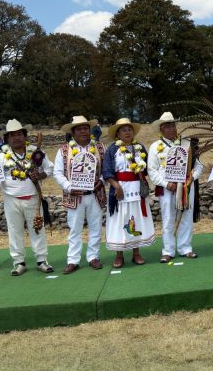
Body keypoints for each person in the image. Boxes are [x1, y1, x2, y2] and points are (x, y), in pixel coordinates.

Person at [0, 119, 54, 276]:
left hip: (34, 197)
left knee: (37, 228)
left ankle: (42, 260)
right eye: (12, 135)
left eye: (19, 134)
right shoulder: (1, 156)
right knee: (14, 231)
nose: (16, 138)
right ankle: (19, 262)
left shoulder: (36, 152)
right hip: (11, 199)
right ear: (7, 138)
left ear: (24, 135)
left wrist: (41, 174)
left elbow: (50, 168)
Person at [147, 112, 203, 263]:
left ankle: (186, 248)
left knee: (186, 217)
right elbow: (151, 170)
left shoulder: (187, 144)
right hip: (166, 188)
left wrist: (192, 178)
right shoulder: (155, 147)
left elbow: (199, 166)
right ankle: (168, 250)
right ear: (161, 129)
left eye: (173, 125)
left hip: (186, 187)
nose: (171, 129)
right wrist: (166, 184)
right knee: (168, 219)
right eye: (167, 126)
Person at [53, 115, 107, 274]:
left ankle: (93, 257)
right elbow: (57, 173)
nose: (83, 131)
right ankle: (73, 260)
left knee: (96, 227)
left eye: (85, 128)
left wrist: (102, 181)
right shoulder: (64, 150)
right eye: (79, 129)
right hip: (75, 195)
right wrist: (69, 187)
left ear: (89, 130)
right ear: (73, 132)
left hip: (95, 194)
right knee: (74, 229)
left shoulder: (100, 147)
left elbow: (106, 169)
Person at [102, 118, 155, 268]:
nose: (127, 132)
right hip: (120, 189)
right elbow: (106, 171)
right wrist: (116, 186)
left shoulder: (140, 148)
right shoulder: (113, 149)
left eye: (129, 129)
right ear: (118, 134)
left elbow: (146, 169)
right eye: (123, 130)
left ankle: (136, 253)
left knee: (136, 219)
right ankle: (119, 254)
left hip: (137, 190)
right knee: (121, 220)